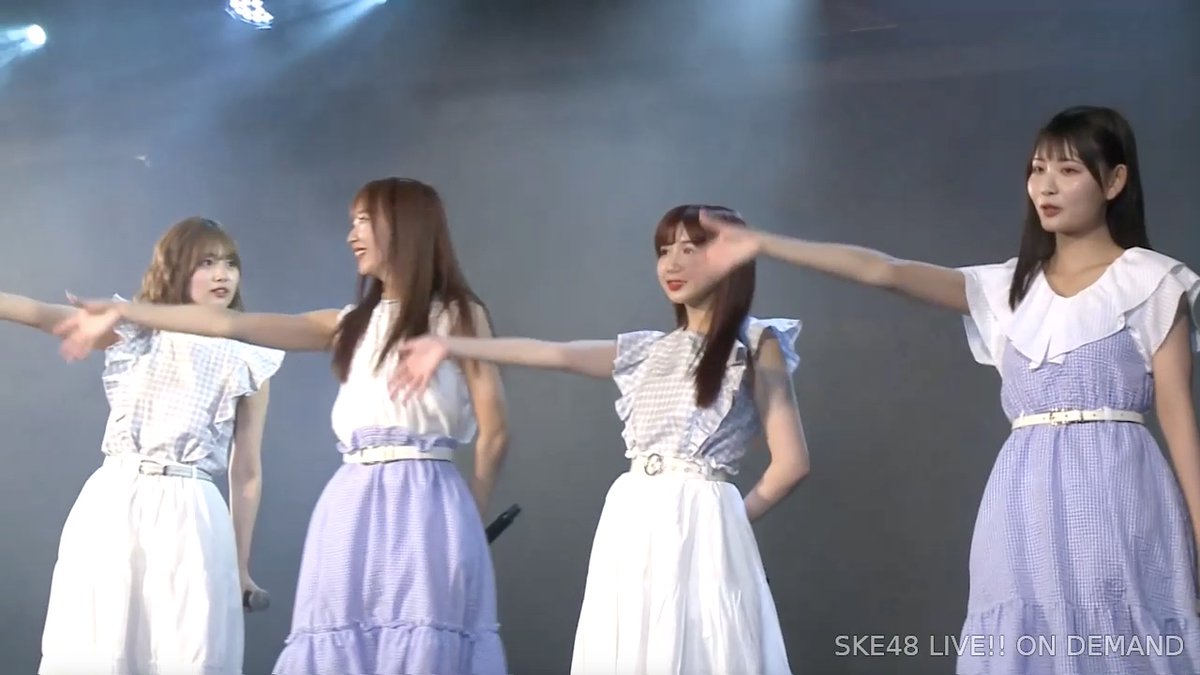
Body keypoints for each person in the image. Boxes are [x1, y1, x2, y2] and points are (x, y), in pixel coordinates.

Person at [696, 105, 1200, 674]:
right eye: (1037, 170)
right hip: (1023, 496)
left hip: (1120, 489)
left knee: (1120, 635)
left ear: (1114, 180)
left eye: (1068, 170)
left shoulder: (1152, 282)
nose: (1046, 186)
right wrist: (763, 243)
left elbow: (1180, 421)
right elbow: (884, 270)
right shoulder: (1008, 289)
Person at [55, 178, 509, 675]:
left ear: (404, 226)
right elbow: (228, 325)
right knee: (341, 638)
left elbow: (495, 433)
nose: (352, 235)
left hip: (427, 493)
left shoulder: (458, 316)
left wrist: (469, 519)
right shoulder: (349, 322)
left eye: (363, 221)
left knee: (423, 633)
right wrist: (125, 310)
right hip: (353, 497)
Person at [393, 204, 810, 674]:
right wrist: (450, 344)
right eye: (664, 251)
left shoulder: (755, 344)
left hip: (702, 519)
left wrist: (723, 520)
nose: (671, 264)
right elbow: (554, 353)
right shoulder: (648, 349)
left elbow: (791, 462)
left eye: (689, 249)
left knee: (702, 646)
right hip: (632, 516)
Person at [0, 217, 283, 674]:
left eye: (230, 263)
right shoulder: (134, 331)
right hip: (117, 499)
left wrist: (240, 565)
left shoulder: (250, 357)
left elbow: (247, 471)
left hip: (192, 508)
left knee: (186, 647)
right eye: (207, 263)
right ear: (175, 269)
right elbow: (40, 313)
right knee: (99, 642)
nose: (222, 274)